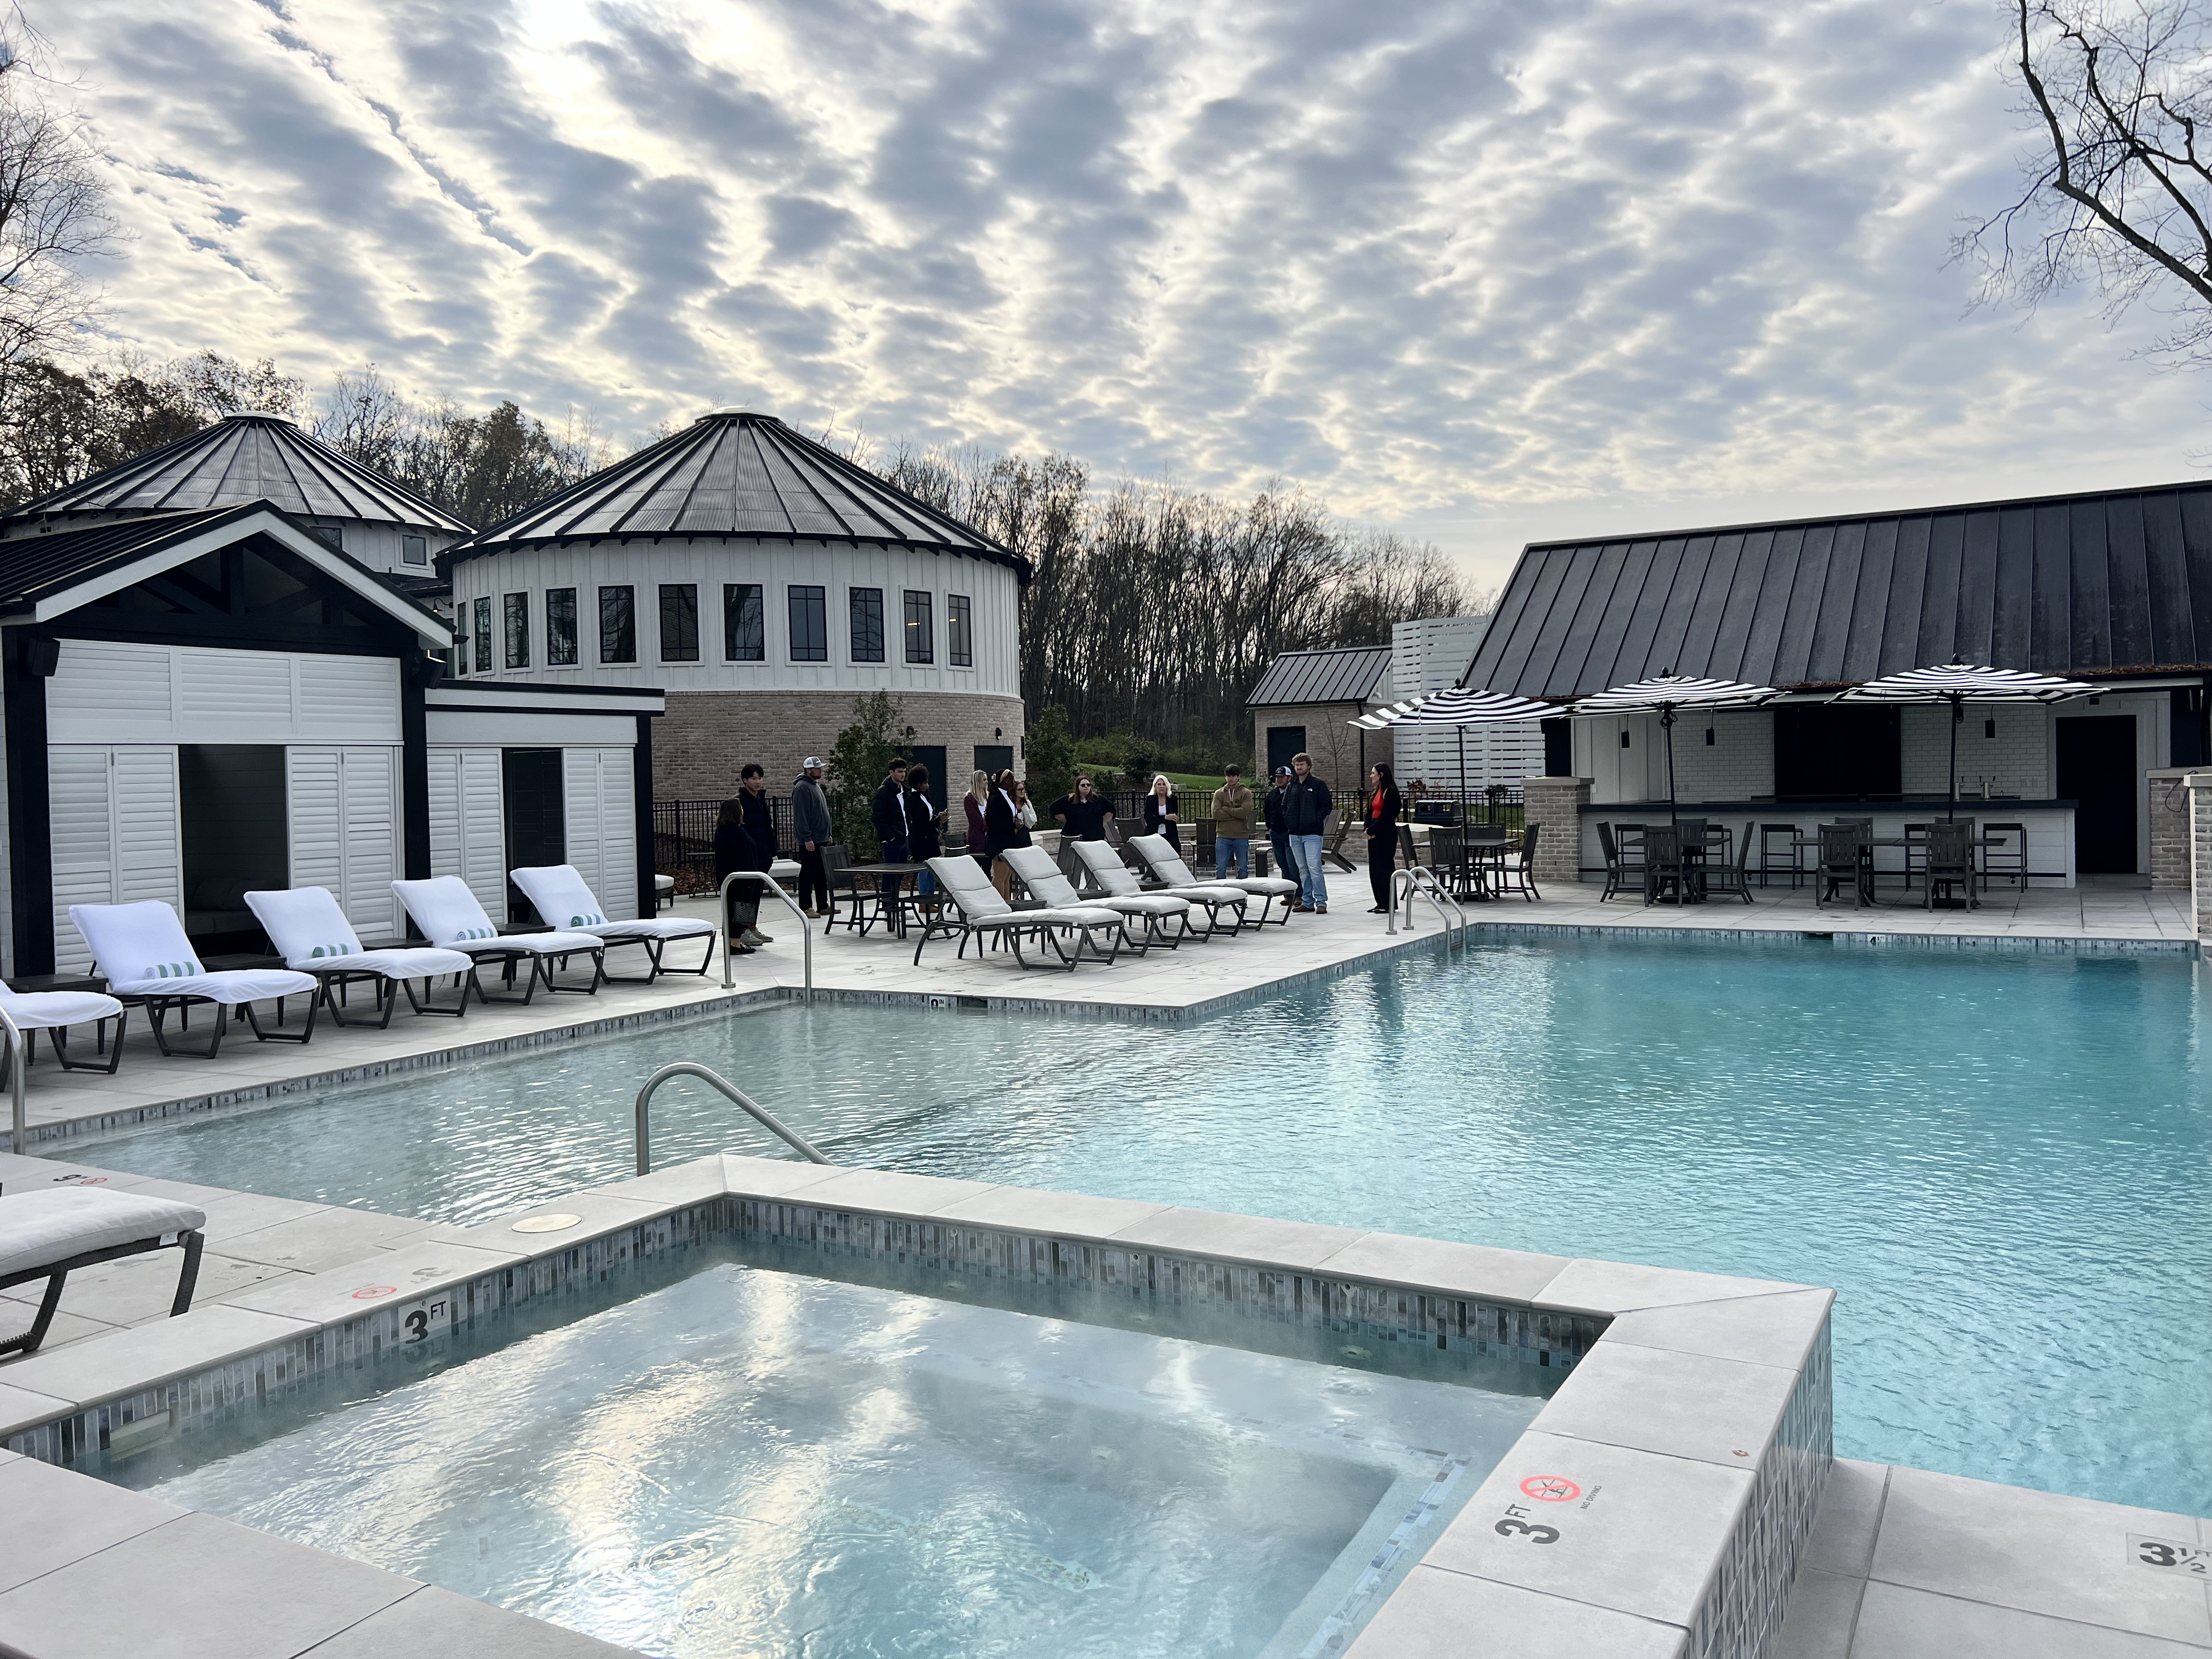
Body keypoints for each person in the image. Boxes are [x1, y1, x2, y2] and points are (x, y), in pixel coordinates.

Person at [711, 793, 763, 954]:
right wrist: (750, 877)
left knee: (731, 909)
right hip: (740, 878)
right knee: (739, 909)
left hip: (727, 876)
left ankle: (734, 942)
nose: (743, 810)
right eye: (740, 808)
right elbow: (743, 856)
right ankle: (735, 943)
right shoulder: (737, 832)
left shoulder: (722, 831)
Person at [1284, 751, 1334, 914]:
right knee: (1303, 869)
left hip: (1312, 833)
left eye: (1302, 765)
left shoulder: (1318, 784)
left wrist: (1315, 819)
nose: (1299, 768)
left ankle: (1321, 902)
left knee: (1314, 868)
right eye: (1297, 765)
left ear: (1309, 766)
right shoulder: (1291, 786)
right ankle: (1307, 901)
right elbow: (1284, 806)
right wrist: (1289, 822)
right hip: (1295, 834)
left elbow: (1326, 806)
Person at [735, 763, 776, 945]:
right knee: (746, 894)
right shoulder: (739, 802)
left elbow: (767, 827)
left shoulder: (760, 799)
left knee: (757, 892)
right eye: (754, 778)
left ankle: (752, 927)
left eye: (760, 778)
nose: (758, 781)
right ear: (745, 781)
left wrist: (771, 851)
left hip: (763, 855)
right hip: (748, 857)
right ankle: (742, 930)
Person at [791, 756, 831, 917]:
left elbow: (822, 812)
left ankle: (823, 905)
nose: (821, 770)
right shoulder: (802, 788)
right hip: (811, 840)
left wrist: (828, 834)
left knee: (822, 873)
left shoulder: (814, 786)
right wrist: (807, 838)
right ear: (808, 770)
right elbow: (801, 816)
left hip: (821, 838)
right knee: (808, 873)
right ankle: (806, 907)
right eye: (818, 768)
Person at [1363, 762, 1402, 913]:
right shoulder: (1376, 791)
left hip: (1385, 834)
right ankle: (1380, 902)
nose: (1371, 776)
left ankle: (1388, 903)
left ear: (1381, 775)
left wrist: (1374, 830)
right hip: (1374, 833)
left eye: (1374, 773)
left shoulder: (1390, 792)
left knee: (1384, 869)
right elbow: (1369, 812)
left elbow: (1388, 815)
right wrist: (1368, 828)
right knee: (1374, 869)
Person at [984, 768, 1029, 899]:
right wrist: (1014, 825)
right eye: (1008, 778)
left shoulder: (1006, 796)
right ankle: (998, 904)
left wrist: (1016, 822)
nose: (1012, 781)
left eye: (1012, 778)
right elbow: (996, 823)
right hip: (999, 842)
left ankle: (1007, 902)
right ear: (1001, 781)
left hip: (1008, 840)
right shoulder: (997, 798)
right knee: (1000, 876)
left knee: (1007, 876)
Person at [871, 757, 910, 906]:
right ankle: (888, 904)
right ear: (891, 772)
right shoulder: (884, 792)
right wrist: (890, 838)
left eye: (905, 772)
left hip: (903, 837)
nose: (903, 775)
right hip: (894, 840)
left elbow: (905, 814)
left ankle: (894, 902)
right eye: (900, 772)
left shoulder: (903, 790)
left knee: (900, 875)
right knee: (890, 874)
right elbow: (878, 818)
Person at [905, 764, 941, 895]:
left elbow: (930, 816)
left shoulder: (925, 797)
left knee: (932, 869)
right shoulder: (913, 799)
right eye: (924, 783)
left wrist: (938, 818)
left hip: (930, 838)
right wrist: (937, 821)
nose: (927, 785)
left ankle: (930, 896)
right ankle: (924, 898)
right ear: (918, 784)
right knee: (924, 869)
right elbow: (921, 823)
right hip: (921, 839)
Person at [1212, 765, 1252, 879]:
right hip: (1223, 835)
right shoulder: (1219, 794)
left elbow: (1244, 812)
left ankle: (1243, 893)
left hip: (1241, 835)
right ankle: (1221, 894)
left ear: (1239, 777)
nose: (1231, 779)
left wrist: (1226, 809)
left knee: (1243, 868)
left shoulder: (1246, 793)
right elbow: (1216, 814)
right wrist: (1235, 814)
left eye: (1234, 776)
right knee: (1221, 867)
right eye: (1228, 776)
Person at [1049, 774, 1114, 842]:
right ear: (1078, 787)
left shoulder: (1098, 799)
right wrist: (1069, 820)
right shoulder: (1069, 800)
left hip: (1095, 838)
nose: (1086, 787)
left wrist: (1101, 822)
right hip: (1074, 837)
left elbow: (1111, 809)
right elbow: (1053, 809)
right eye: (1083, 785)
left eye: (1088, 785)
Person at [1265, 765, 1296, 891]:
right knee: (1282, 864)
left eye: (1282, 777)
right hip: (1276, 833)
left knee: (1292, 865)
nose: (1279, 780)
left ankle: (1298, 894)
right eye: (1278, 777)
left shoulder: (1294, 792)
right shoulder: (1272, 794)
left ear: (1289, 778)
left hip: (1289, 833)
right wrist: (1270, 828)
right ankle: (1288, 894)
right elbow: (1267, 811)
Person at [964, 770, 993, 877]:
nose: (987, 782)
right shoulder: (969, 798)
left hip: (989, 839)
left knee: (988, 868)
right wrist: (989, 826)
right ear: (978, 782)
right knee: (977, 869)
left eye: (987, 779)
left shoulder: (988, 797)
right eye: (984, 780)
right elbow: (975, 819)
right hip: (978, 838)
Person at [1142, 774, 1180, 851]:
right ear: (1155, 787)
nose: (1162, 786)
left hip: (1170, 834)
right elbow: (1149, 819)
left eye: (1164, 784)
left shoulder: (1173, 800)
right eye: (1159, 784)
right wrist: (1165, 817)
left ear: (1167, 786)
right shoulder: (1150, 800)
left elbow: (1173, 818)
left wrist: (1157, 818)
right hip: (1153, 834)